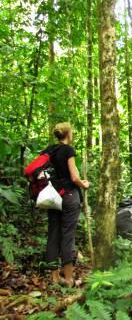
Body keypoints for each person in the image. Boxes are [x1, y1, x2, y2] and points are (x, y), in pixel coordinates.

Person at [42, 122, 90, 286]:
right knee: (68, 234)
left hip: (52, 196)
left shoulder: (49, 150)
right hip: (69, 195)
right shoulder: (68, 150)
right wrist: (84, 184)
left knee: (53, 233)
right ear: (68, 134)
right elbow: (74, 177)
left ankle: (55, 278)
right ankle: (69, 279)